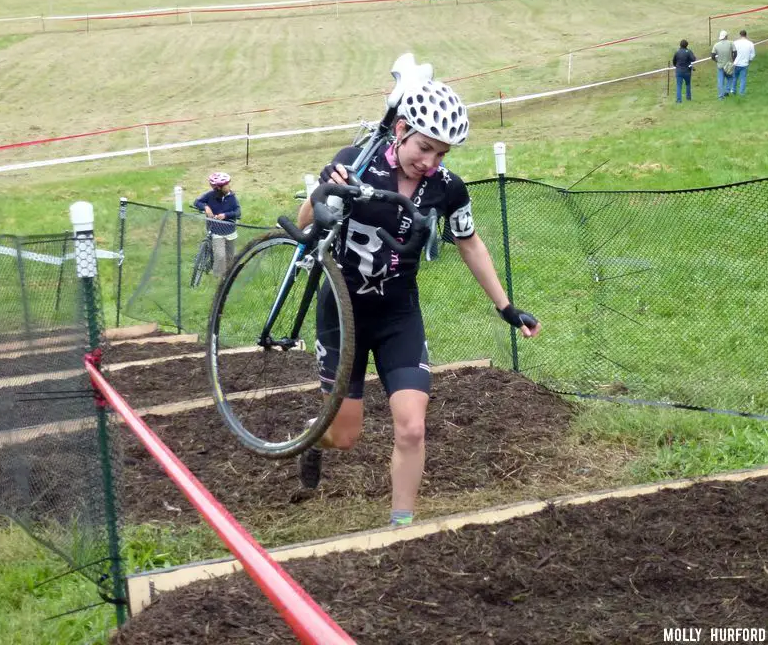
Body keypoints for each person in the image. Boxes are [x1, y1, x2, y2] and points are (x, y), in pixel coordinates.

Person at [295, 77, 542, 527]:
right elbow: (305, 221)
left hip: (398, 315)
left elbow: (470, 244)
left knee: (412, 427)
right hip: (343, 314)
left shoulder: (448, 188)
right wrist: (324, 191)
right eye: (424, 148)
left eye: (442, 154)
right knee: (344, 436)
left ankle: (401, 526)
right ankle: (313, 440)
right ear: (401, 129)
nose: (430, 162)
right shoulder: (355, 161)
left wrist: (507, 307)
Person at [193, 172, 241, 279]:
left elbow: (238, 212)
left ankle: (228, 277)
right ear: (219, 188)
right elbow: (197, 202)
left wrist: (225, 215)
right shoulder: (210, 196)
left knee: (230, 256)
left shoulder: (232, 197)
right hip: (215, 230)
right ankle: (219, 277)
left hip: (230, 231)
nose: (229, 186)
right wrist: (205, 207)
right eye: (226, 185)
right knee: (220, 255)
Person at [711, 30, 737, 99]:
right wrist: (733, 60)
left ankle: (720, 96)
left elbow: (712, 56)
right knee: (730, 78)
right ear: (726, 36)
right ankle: (727, 90)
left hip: (720, 65)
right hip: (728, 65)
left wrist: (717, 61)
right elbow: (735, 52)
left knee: (720, 81)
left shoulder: (716, 45)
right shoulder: (731, 43)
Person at [671, 39, 697, 103]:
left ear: (680, 45)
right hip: (687, 71)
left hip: (679, 71)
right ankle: (688, 98)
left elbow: (674, 62)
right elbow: (694, 59)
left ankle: (679, 100)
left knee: (679, 85)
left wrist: (677, 66)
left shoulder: (677, 52)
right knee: (688, 84)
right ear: (687, 45)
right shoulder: (688, 51)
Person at [732, 30, 757, 96]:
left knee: (734, 78)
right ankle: (741, 92)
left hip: (736, 63)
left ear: (740, 35)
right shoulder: (750, 43)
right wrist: (749, 60)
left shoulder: (735, 43)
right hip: (744, 64)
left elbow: (732, 52)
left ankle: (733, 90)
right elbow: (753, 54)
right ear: (746, 35)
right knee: (743, 79)